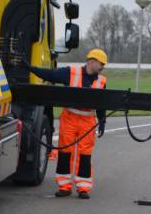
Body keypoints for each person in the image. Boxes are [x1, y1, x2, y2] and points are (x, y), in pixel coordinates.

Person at [21, 49, 108, 199]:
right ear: (92, 61)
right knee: (64, 152)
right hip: (69, 118)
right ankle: (64, 186)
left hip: (87, 121)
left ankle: (83, 188)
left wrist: (102, 121)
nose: (102, 68)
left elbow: (102, 103)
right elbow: (50, 74)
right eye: (101, 64)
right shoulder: (71, 72)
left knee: (85, 155)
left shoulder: (102, 81)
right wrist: (30, 68)